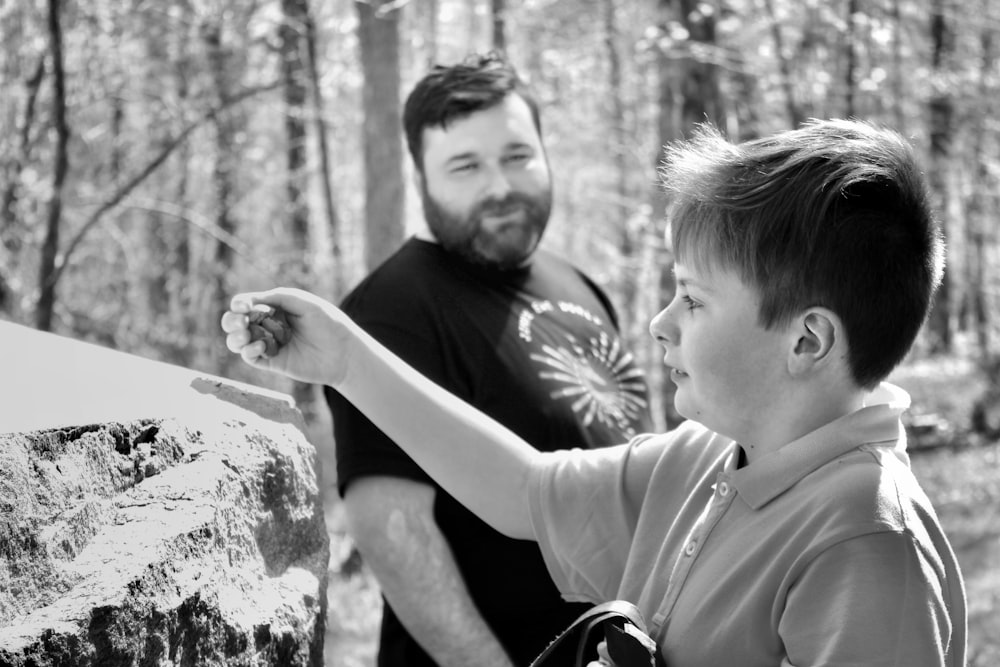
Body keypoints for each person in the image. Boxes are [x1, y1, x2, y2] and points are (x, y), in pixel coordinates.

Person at [223, 118, 967, 666]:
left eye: (694, 300)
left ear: (807, 341)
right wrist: (349, 361)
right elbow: (522, 487)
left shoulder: (868, 541)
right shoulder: (704, 458)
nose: (660, 322)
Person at [320, 53, 651, 667]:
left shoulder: (577, 284)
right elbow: (391, 528)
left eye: (517, 156)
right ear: (422, 177)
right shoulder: (393, 309)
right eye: (465, 166)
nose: (500, 186)